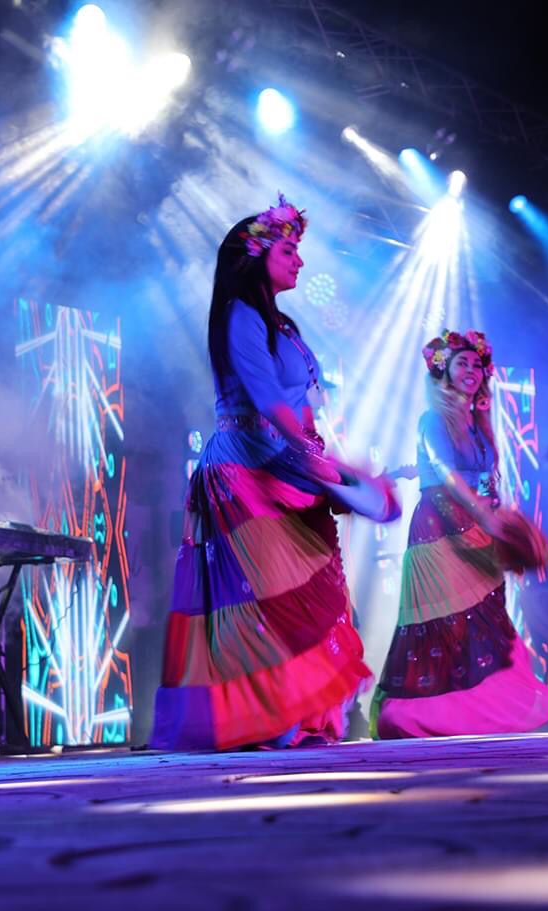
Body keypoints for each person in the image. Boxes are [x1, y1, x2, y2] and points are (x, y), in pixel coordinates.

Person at [150, 195, 371, 751]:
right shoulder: (240, 316)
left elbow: (299, 405)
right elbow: (268, 398)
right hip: (246, 470)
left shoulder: (283, 322)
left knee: (306, 593)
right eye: (291, 250)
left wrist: (325, 460)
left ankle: (302, 713)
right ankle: (268, 716)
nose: (300, 261)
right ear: (258, 255)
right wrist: (318, 460)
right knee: (262, 598)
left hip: (284, 465)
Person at [371, 330, 548, 738]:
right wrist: (484, 512)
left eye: (477, 364)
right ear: (443, 371)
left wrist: (497, 515)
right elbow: (444, 472)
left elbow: (483, 481)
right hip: (439, 527)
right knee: (446, 623)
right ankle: (419, 717)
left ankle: (482, 713)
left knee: (486, 617)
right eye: (462, 363)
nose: (472, 370)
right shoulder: (433, 419)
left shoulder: (478, 425)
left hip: (475, 524)